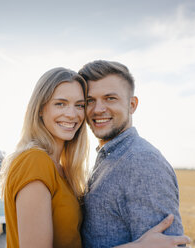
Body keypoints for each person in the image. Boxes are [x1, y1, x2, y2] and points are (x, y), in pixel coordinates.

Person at [0, 67, 190, 248]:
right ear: (40, 109)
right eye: (60, 104)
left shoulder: (63, 168)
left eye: (80, 105)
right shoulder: (34, 161)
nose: (72, 114)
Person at [79, 60, 186, 248]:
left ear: (132, 105)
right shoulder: (109, 157)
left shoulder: (141, 162)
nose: (98, 109)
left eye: (110, 98)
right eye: (90, 101)